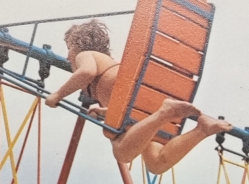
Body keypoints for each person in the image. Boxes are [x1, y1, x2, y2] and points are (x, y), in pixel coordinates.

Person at [44, 19, 232, 175]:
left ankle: (165, 113)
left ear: (78, 44)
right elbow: (124, 104)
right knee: (156, 163)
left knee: (122, 153)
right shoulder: (106, 63)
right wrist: (103, 112)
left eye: (69, 48)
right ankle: (202, 129)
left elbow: (86, 72)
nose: (67, 57)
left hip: (132, 96)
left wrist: (57, 95)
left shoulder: (86, 55)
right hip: (142, 101)